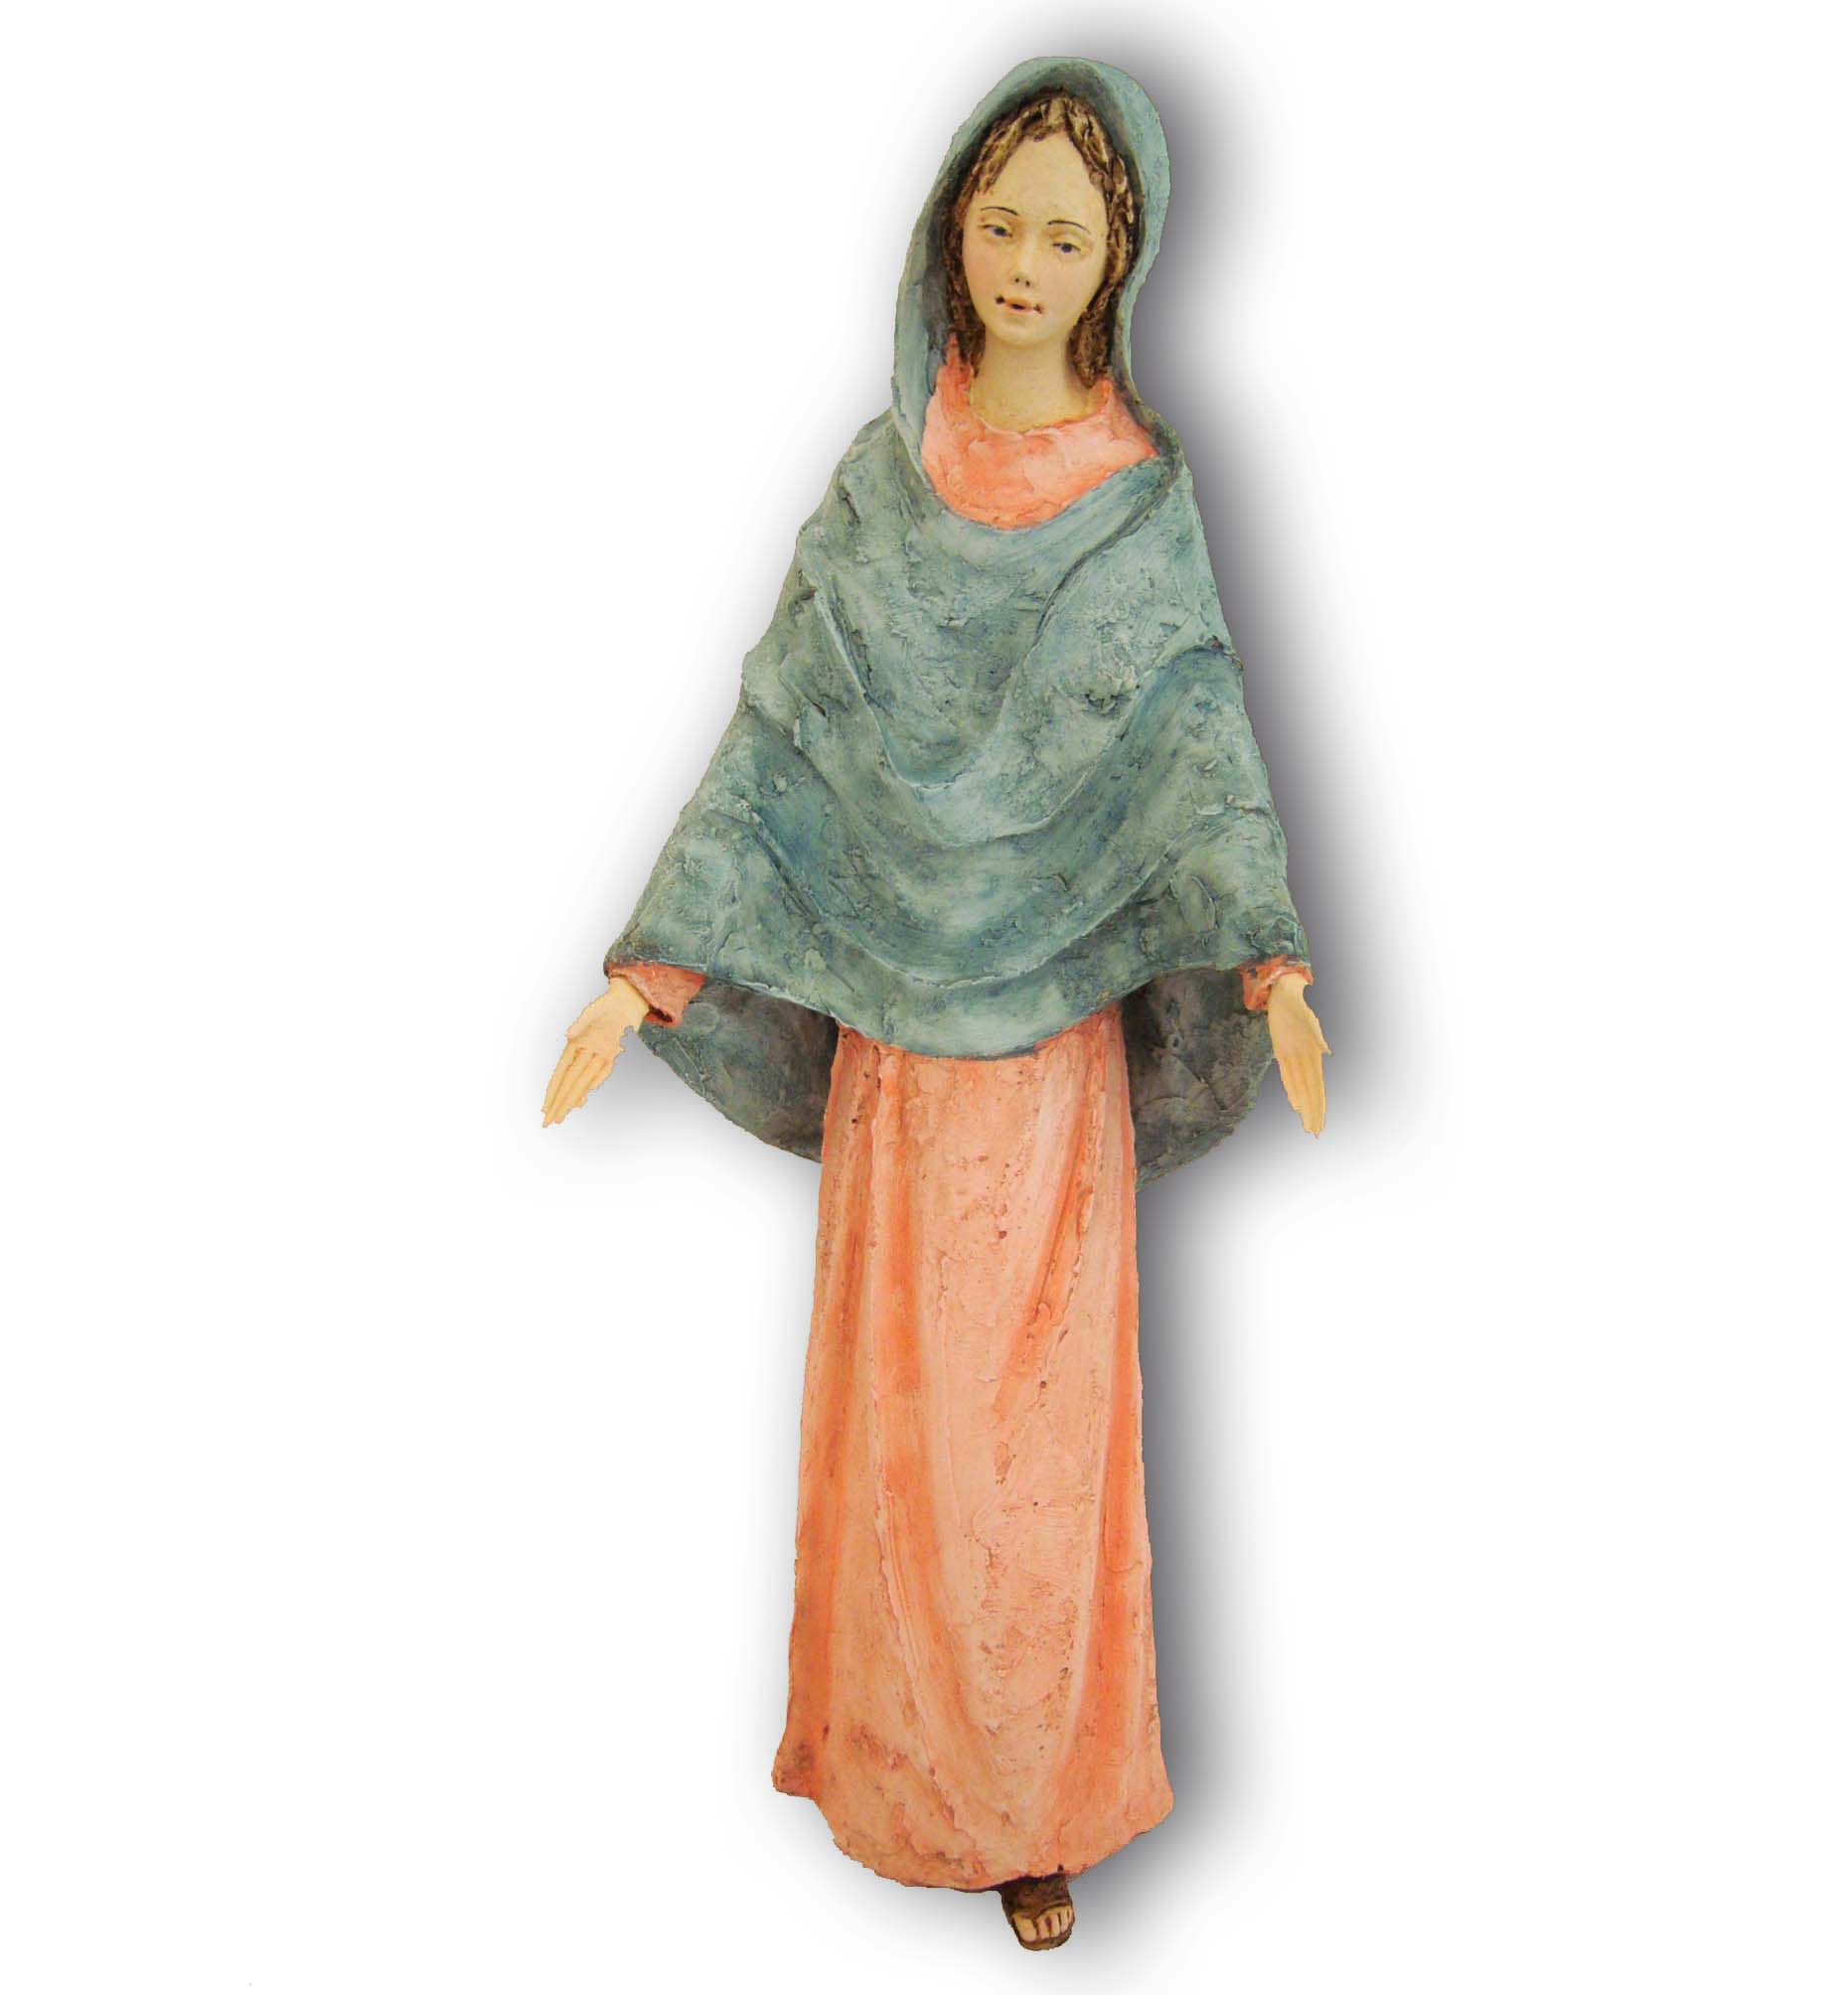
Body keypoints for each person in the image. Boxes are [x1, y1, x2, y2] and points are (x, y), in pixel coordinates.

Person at [541, 58, 1328, 1952]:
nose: (1026, 264)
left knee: (1033, 1458)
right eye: (1000, 224)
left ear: (1122, 257)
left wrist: (1275, 968)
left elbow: (1203, 759)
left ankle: (1037, 1808)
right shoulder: (884, 481)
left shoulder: (1139, 507)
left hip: (1051, 1079)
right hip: (899, 1064)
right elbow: (781, 738)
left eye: (1067, 234)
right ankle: (893, 1764)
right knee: (897, 1439)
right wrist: (647, 972)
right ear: (948, 233)